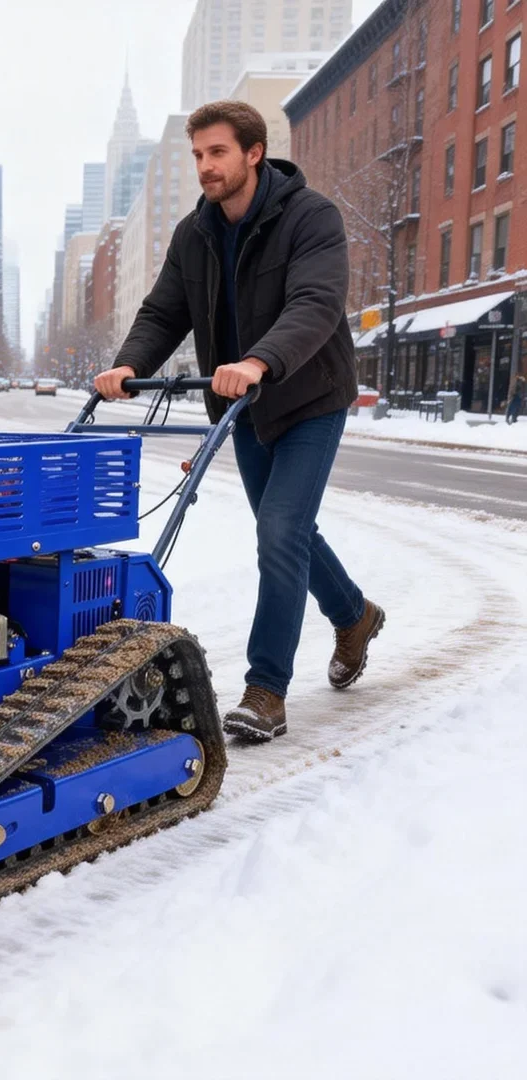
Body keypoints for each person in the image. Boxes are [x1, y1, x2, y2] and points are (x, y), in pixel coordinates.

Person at [94, 100, 384, 743]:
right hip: (243, 406)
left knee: (280, 530)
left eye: (217, 152)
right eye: (198, 154)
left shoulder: (311, 217)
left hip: (308, 395)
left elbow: (315, 302)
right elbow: (164, 312)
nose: (205, 165)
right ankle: (355, 615)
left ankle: (266, 690)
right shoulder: (193, 234)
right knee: (287, 531)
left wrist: (258, 360)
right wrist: (128, 365)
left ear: (254, 153)